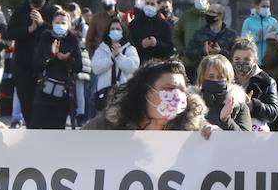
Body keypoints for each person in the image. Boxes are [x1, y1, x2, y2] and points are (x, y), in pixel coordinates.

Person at [83, 57, 213, 136]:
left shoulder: (195, 125)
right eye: (169, 88)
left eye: (182, 90)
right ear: (147, 92)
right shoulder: (111, 122)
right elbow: (76, 143)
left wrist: (214, 134)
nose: (177, 96)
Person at [5, 0, 63, 127]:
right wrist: (29, 29)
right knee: (27, 104)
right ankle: (31, 130)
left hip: (46, 67)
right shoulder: (20, 11)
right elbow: (10, 32)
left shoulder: (52, 12)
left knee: (46, 104)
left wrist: (42, 23)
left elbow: (60, 33)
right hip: (23, 67)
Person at [28, 10, 83, 130]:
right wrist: (51, 56)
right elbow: (36, 65)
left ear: (68, 25)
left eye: (63, 23)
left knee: (57, 130)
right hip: (44, 92)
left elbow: (79, 67)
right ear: (52, 23)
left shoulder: (73, 41)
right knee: (35, 127)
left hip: (62, 94)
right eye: (57, 22)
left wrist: (67, 59)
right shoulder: (45, 38)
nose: (60, 25)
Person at [230, 38, 278, 131]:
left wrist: (252, 104)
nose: (241, 63)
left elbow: (273, 112)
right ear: (232, 59)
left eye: (247, 59)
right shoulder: (225, 80)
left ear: (255, 60)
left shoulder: (267, 81)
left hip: (256, 134)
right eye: (237, 59)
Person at [91, 17, 139, 112]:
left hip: (124, 94)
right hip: (104, 94)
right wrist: (110, 58)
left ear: (123, 32)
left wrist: (119, 56)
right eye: (112, 29)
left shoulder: (130, 49)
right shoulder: (101, 49)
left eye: (118, 29)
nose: (115, 31)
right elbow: (95, 68)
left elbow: (133, 68)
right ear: (108, 32)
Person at [196, 53, 252, 131]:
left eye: (220, 77)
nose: (215, 80)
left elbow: (246, 139)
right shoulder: (192, 104)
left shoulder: (239, 105)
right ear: (202, 78)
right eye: (211, 77)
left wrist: (226, 120)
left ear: (229, 80)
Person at [128, 0, 175, 64]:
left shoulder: (165, 25)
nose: (149, 6)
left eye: (152, 4)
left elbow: (170, 48)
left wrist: (157, 44)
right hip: (139, 64)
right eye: (147, 3)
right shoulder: (134, 24)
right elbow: (128, 46)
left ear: (158, 6)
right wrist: (141, 45)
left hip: (158, 65)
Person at [172, 0, 211, 72]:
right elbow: (176, 34)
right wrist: (182, 50)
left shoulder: (213, 15)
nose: (199, 0)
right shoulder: (186, 16)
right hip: (189, 62)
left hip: (209, 62)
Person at [240, 0, 277, 66]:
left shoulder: (273, 21)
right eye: (263, 6)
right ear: (256, 6)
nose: (266, 9)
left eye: (268, 6)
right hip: (254, 61)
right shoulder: (248, 22)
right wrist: (257, 37)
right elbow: (243, 42)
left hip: (270, 62)